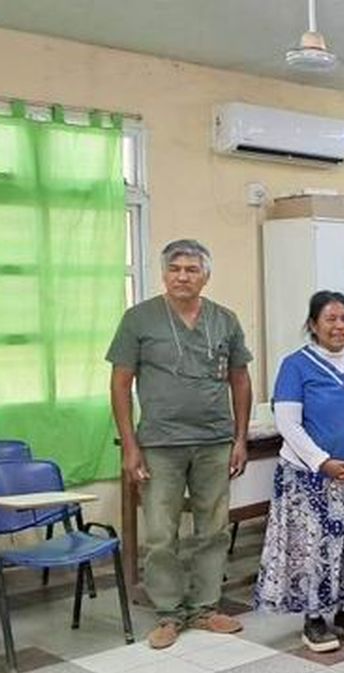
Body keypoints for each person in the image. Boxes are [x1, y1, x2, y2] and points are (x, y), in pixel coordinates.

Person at [107, 239, 251, 649]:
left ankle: (205, 608)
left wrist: (239, 438)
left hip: (214, 441)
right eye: (175, 269)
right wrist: (131, 446)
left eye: (191, 269)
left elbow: (240, 379)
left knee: (213, 528)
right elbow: (120, 384)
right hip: (160, 443)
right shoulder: (139, 319)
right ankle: (169, 613)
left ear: (206, 275)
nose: (183, 276)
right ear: (164, 274)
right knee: (159, 533)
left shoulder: (225, 320)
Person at [254, 291, 344, 653]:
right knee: (310, 549)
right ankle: (313, 619)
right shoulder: (296, 365)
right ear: (313, 324)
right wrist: (322, 462)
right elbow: (288, 422)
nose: (340, 326)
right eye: (331, 319)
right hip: (307, 477)